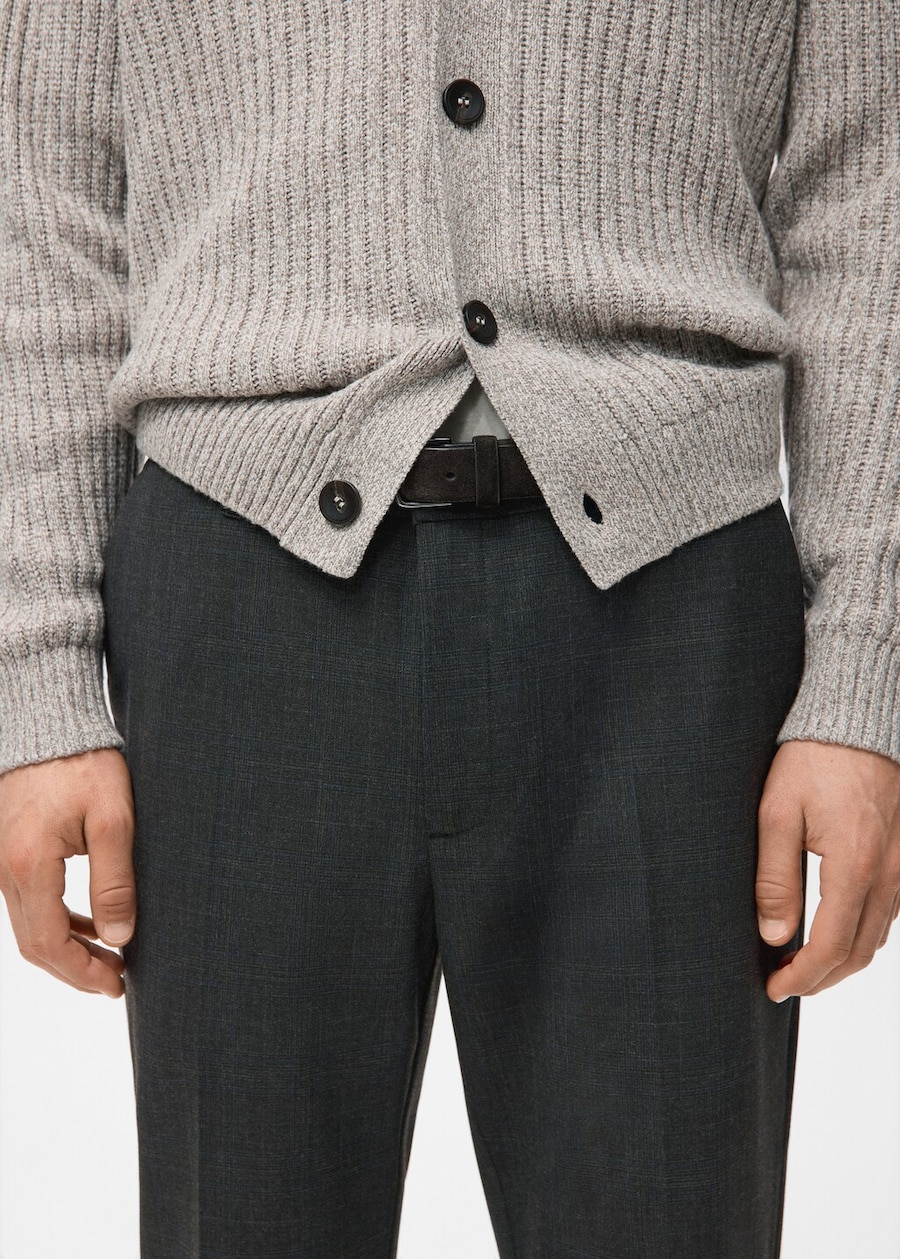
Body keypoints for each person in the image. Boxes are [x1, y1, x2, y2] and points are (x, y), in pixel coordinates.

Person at [1, 2, 898, 1256]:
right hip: (240, 579)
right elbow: (45, 192)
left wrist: (863, 664)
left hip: (671, 604)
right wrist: (38, 674)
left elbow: (867, 182)